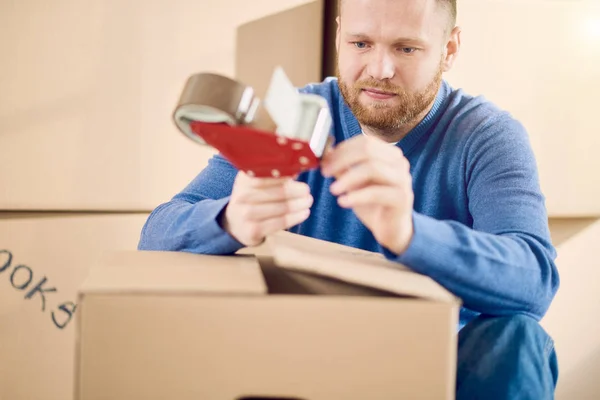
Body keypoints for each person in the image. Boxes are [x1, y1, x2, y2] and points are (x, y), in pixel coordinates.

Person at [138, 0, 560, 397]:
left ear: (449, 49)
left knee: (520, 336)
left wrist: (410, 233)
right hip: (305, 358)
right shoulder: (294, 115)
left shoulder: (488, 137)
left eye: (406, 48)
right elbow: (157, 234)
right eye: (361, 44)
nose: (380, 69)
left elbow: (534, 280)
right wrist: (231, 221)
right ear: (340, 36)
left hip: (435, 367)